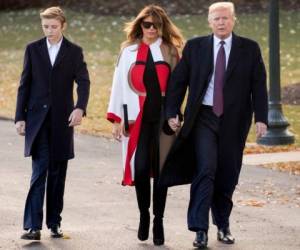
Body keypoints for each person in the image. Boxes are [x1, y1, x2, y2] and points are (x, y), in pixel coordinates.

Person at [160, 2, 268, 248]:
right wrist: (172, 112)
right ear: (209, 21)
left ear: (233, 20)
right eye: (216, 18)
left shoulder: (249, 49)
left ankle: (223, 224)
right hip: (203, 118)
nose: (221, 22)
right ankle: (200, 229)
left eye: (225, 18)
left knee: (227, 174)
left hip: (234, 121)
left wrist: (261, 117)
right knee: (206, 169)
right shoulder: (196, 47)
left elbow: (259, 85)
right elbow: (178, 82)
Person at [107, 4, 183, 246]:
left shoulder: (171, 51)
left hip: (163, 120)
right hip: (136, 119)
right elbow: (118, 85)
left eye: (156, 25)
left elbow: (179, 86)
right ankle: (143, 216)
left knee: (161, 173)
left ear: (162, 27)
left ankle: (158, 220)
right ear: (140, 25)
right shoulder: (128, 52)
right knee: (140, 170)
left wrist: (176, 113)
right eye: (146, 24)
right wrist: (117, 118)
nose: (151, 29)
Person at [15, 6, 90, 240]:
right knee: (39, 172)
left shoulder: (74, 52)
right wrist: (20, 116)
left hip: (62, 123)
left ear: (63, 25)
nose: (49, 31)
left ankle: (54, 223)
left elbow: (84, 83)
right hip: (37, 122)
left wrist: (79, 108)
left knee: (58, 174)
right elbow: (24, 84)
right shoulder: (33, 50)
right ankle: (32, 226)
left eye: (54, 26)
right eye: (45, 26)